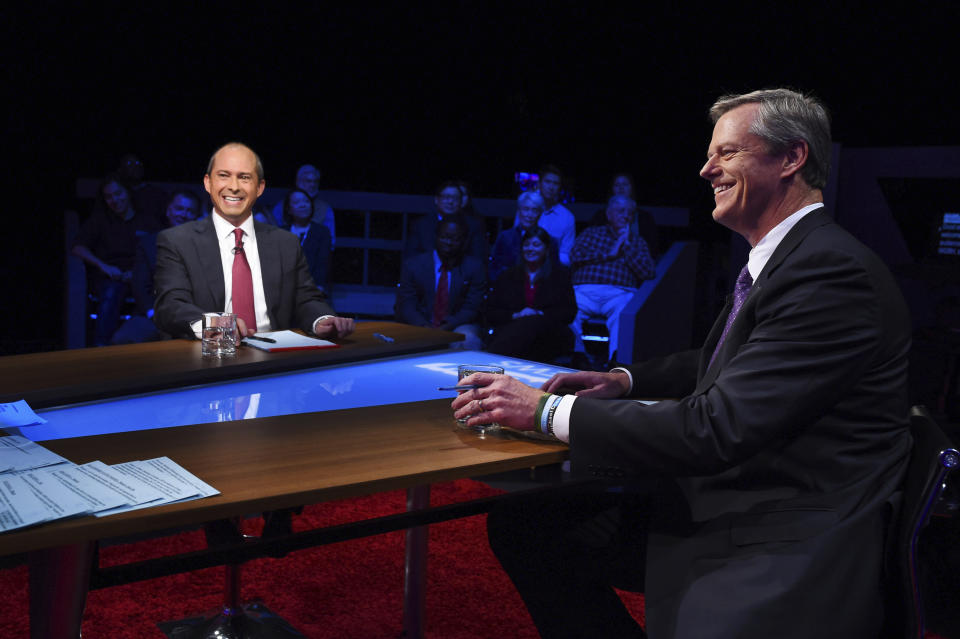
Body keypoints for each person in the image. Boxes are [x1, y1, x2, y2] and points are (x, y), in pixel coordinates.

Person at [452, 89, 912, 638]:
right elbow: (729, 358)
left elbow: (714, 429)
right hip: (742, 493)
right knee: (528, 525)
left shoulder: (830, 274)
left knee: (537, 526)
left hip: (779, 529)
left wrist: (546, 410)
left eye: (728, 153)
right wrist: (622, 379)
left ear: (791, 158)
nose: (706, 169)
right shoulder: (798, 257)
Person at [153, 142, 354, 341]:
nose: (233, 187)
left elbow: (306, 298)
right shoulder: (177, 241)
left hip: (275, 358)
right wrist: (214, 326)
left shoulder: (286, 243)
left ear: (260, 187)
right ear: (208, 183)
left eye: (245, 177)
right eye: (223, 176)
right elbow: (171, 305)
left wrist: (322, 319)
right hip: (207, 355)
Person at [72, 174, 159, 345]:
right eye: (109, 197)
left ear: (127, 193)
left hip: (141, 278)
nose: (114, 200)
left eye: (118, 194)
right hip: (112, 277)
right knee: (111, 293)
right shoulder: (99, 221)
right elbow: (77, 247)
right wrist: (104, 267)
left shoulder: (147, 221)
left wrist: (137, 274)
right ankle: (102, 348)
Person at [569, 194, 656, 364]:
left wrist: (627, 248)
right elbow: (574, 255)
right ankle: (578, 355)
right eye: (621, 211)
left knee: (625, 312)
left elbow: (649, 272)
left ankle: (616, 361)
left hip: (619, 293)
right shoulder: (592, 233)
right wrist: (609, 254)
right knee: (568, 309)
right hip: (585, 291)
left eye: (630, 213)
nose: (625, 216)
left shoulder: (637, 242)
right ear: (609, 214)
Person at [112, 190, 202, 344]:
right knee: (123, 340)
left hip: (191, 313)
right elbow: (140, 284)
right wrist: (153, 313)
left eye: (190, 211)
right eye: (179, 209)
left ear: (196, 217)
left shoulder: (204, 246)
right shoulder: (149, 243)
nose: (183, 214)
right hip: (154, 311)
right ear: (169, 211)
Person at [486, 227, 576, 363]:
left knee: (531, 322)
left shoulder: (560, 276)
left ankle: (490, 363)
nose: (530, 249)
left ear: (546, 249)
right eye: (526, 244)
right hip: (511, 330)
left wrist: (538, 314)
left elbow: (569, 312)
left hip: (550, 334)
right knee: (520, 329)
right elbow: (491, 311)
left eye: (536, 245)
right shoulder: (507, 276)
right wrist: (516, 315)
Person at [395, 215, 486, 350]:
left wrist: (446, 326)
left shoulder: (474, 267)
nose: (448, 242)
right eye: (444, 237)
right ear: (436, 236)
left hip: (457, 324)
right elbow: (407, 304)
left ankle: (467, 371)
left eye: (455, 239)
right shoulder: (414, 265)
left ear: (464, 241)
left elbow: (471, 308)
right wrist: (424, 327)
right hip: (420, 323)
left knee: (468, 339)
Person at [404, 181, 488, 263]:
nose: (450, 202)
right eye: (446, 197)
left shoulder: (473, 226)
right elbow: (411, 258)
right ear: (436, 200)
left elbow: (478, 259)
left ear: (461, 202)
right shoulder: (421, 225)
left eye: (455, 198)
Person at [489, 191, 559, 282]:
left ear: (540, 214)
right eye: (526, 209)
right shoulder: (505, 237)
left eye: (534, 210)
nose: (529, 215)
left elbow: (555, 272)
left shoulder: (550, 241)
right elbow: (494, 268)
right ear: (519, 211)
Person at [589, 173, 661, 256]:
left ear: (631, 188)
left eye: (625, 184)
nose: (621, 188)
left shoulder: (645, 217)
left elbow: (652, 249)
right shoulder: (600, 216)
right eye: (617, 185)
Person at [271, 164, 336, 245]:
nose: (312, 185)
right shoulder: (282, 206)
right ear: (298, 182)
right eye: (308, 181)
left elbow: (330, 241)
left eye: (315, 181)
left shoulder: (325, 209)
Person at [283, 187, 332, 293]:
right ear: (288, 209)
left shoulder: (322, 232)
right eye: (297, 202)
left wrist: (319, 286)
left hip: (312, 288)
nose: (303, 205)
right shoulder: (281, 232)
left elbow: (322, 262)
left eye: (306, 201)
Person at [536, 164, 576, 266]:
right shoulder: (528, 209)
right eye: (547, 182)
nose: (551, 187)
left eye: (555, 183)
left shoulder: (567, 217)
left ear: (559, 187)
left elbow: (565, 253)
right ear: (540, 183)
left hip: (553, 268)